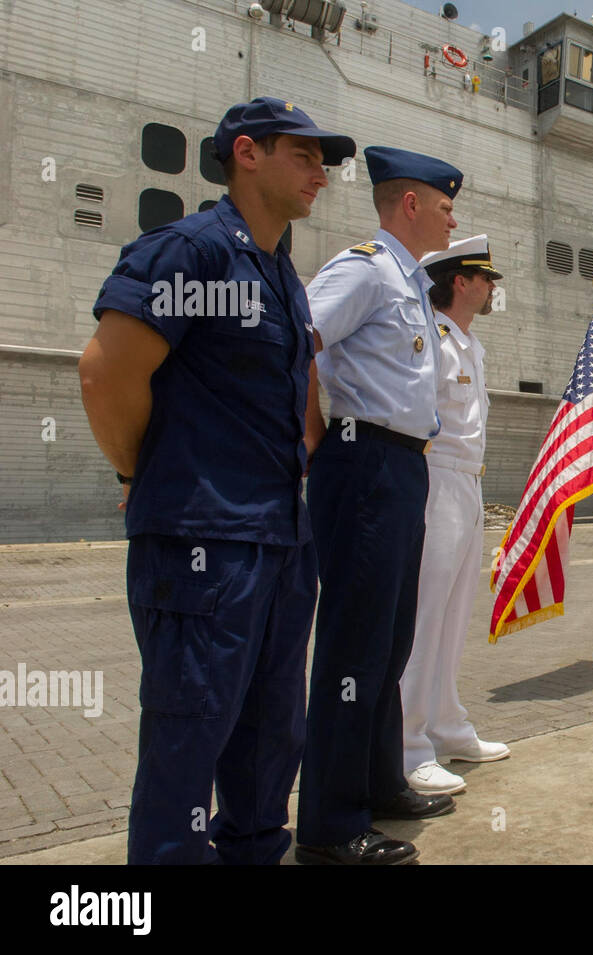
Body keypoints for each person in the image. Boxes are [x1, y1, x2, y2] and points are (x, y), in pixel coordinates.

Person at [79, 97, 354, 864]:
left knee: (272, 735)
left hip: (278, 540)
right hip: (204, 542)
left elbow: (298, 398)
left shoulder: (283, 276)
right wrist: (140, 473)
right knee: (188, 735)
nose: (320, 175)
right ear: (247, 153)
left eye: (324, 162)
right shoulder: (189, 251)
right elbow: (105, 375)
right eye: (304, 155)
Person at [295, 147, 463, 865]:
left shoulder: (411, 280)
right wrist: (314, 438)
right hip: (363, 461)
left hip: (402, 465)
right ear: (411, 204)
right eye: (446, 201)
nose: (455, 213)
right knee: (352, 644)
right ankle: (330, 827)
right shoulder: (365, 267)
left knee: (389, 638)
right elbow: (295, 339)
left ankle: (380, 781)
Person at [400, 235, 510, 796]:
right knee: (424, 616)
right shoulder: (432, 340)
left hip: (468, 483)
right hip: (435, 478)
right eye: (485, 278)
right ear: (460, 282)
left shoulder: (470, 344)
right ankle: (408, 744)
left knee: (454, 613)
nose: (493, 288)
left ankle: (446, 724)